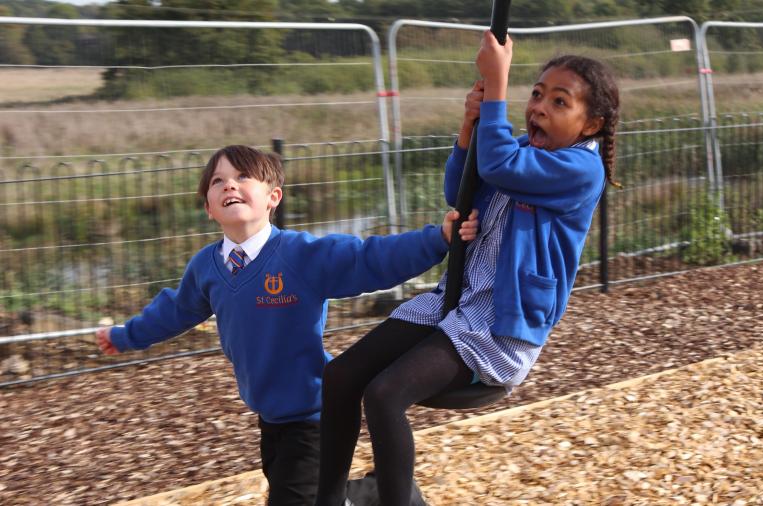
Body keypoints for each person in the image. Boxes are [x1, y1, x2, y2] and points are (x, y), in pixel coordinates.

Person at [314, 30, 621, 506]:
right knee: (340, 377)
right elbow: (462, 189)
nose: (539, 106)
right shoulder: (521, 149)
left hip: (500, 325)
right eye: (536, 94)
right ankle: (327, 499)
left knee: (384, 394)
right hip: (454, 299)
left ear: (591, 124)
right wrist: (469, 127)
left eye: (560, 102)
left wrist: (496, 83)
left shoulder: (582, 169)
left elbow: (498, 165)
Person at [95, 144, 479, 506]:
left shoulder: (301, 255)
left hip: (316, 416)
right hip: (271, 418)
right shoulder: (205, 269)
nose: (229, 183)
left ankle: (376, 491)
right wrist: (124, 336)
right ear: (209, 207)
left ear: (273, 198)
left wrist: (438, 240)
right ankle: (375, 490)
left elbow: (368, 259)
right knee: (312, 495)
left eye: (243, 176)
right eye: (217, 181)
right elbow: (174, 311)